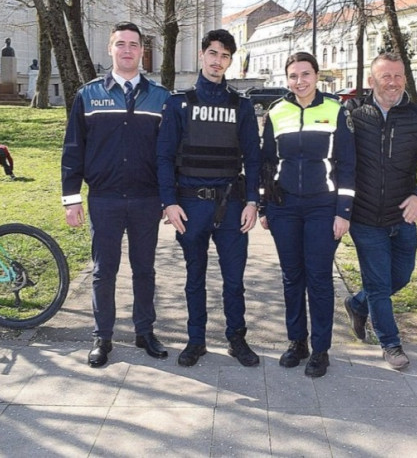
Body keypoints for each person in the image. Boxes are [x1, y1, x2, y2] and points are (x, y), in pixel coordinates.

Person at [61, 21, 170, 367]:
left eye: (134, 45)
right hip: (104, 199)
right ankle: (102, 337)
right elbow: (73, 148)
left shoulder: (161, 98)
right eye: (120, 44)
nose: (127, 50)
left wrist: (170, 199)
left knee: (144, 268)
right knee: (103, 270)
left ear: (142, 51)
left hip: (146, 198)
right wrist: (71, 197)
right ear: (110, 49)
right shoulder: (88, 95)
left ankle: (144, 331)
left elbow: (170, 155)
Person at [157, 29, 261, 368]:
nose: (218, 61)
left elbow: (254, 156)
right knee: (194, 278)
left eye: (225, 56)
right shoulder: (178, 103)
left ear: (231, 61)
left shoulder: (241, 105)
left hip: (231, 204)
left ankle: (237, 338)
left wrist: (252, 202)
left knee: (234, 279)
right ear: (203, 55)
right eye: (213, 53)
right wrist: (169, 202)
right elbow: (164, 156)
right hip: (190, 205)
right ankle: (196, 340)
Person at [344, 53, 417, 370]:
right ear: (371, 80)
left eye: (398, 76)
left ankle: (356, 302)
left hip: (403, 216)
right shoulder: (353, 114)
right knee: (379, 285)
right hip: (364, 217)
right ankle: (390, 344)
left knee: (399, 277)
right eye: (385, 76)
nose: (392, 82)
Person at [260, 52, 356, 378]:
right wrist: (264, 205)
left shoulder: (336, 110)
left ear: (316, 76)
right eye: (293, 76)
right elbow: (266, 163)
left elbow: (347, 166)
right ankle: (297, 342)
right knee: (291, 277)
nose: (299, 81)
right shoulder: (277, 112)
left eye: (305, 74)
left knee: (318, 278)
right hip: (284, 208)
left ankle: (321, 349)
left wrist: (343, 212)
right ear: (287, 79)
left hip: (322, 207)